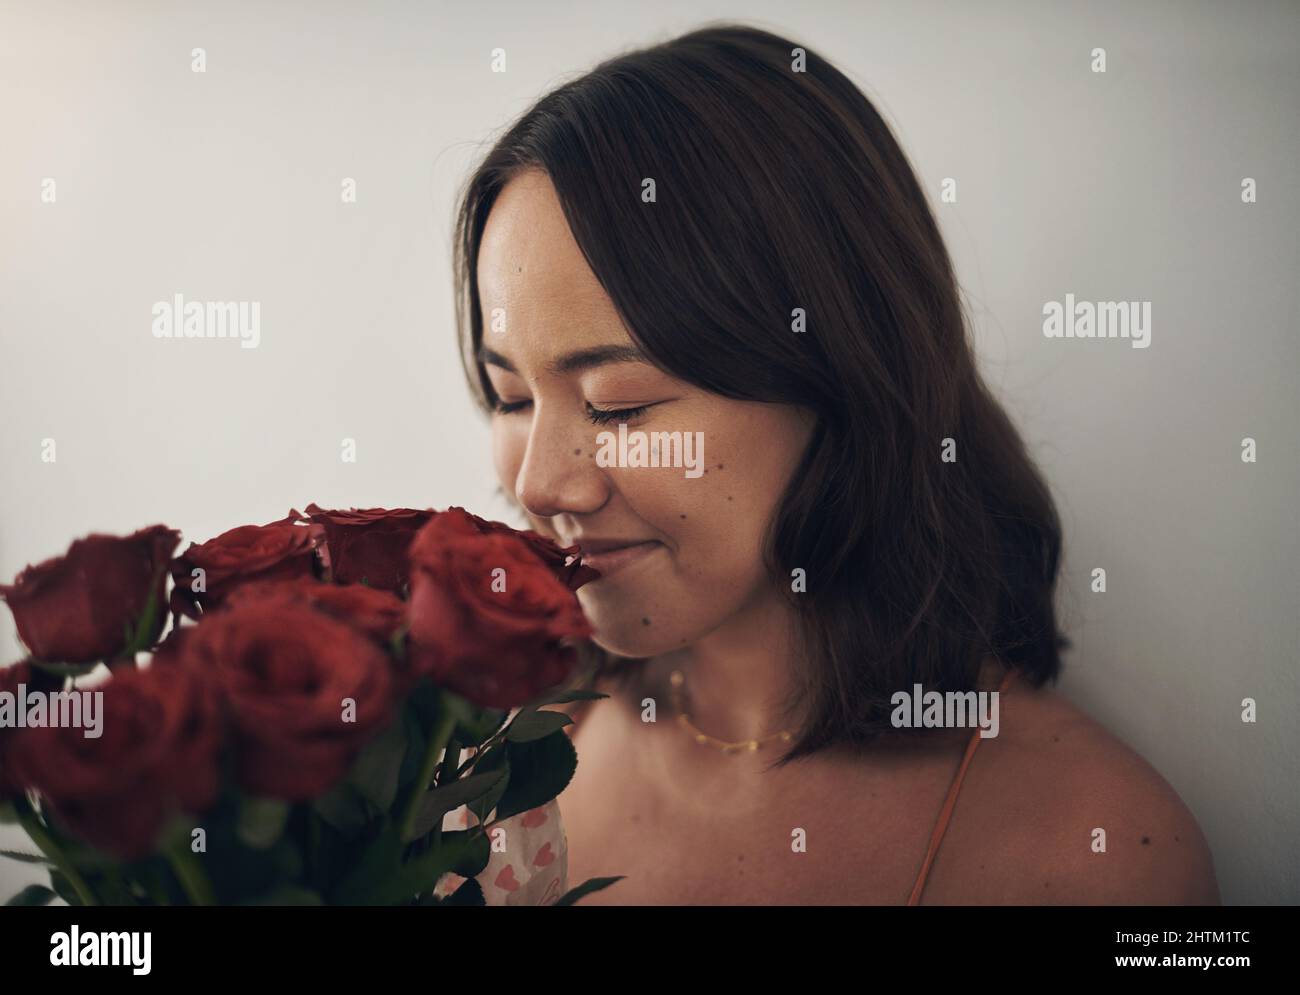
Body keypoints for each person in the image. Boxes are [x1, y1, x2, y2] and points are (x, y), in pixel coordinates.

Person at [451, 24, 1220, 905]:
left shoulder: (1097, 855)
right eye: (511, 398)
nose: (540, 484)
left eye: (621, 404)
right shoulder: (491, 768)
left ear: (839, 377)